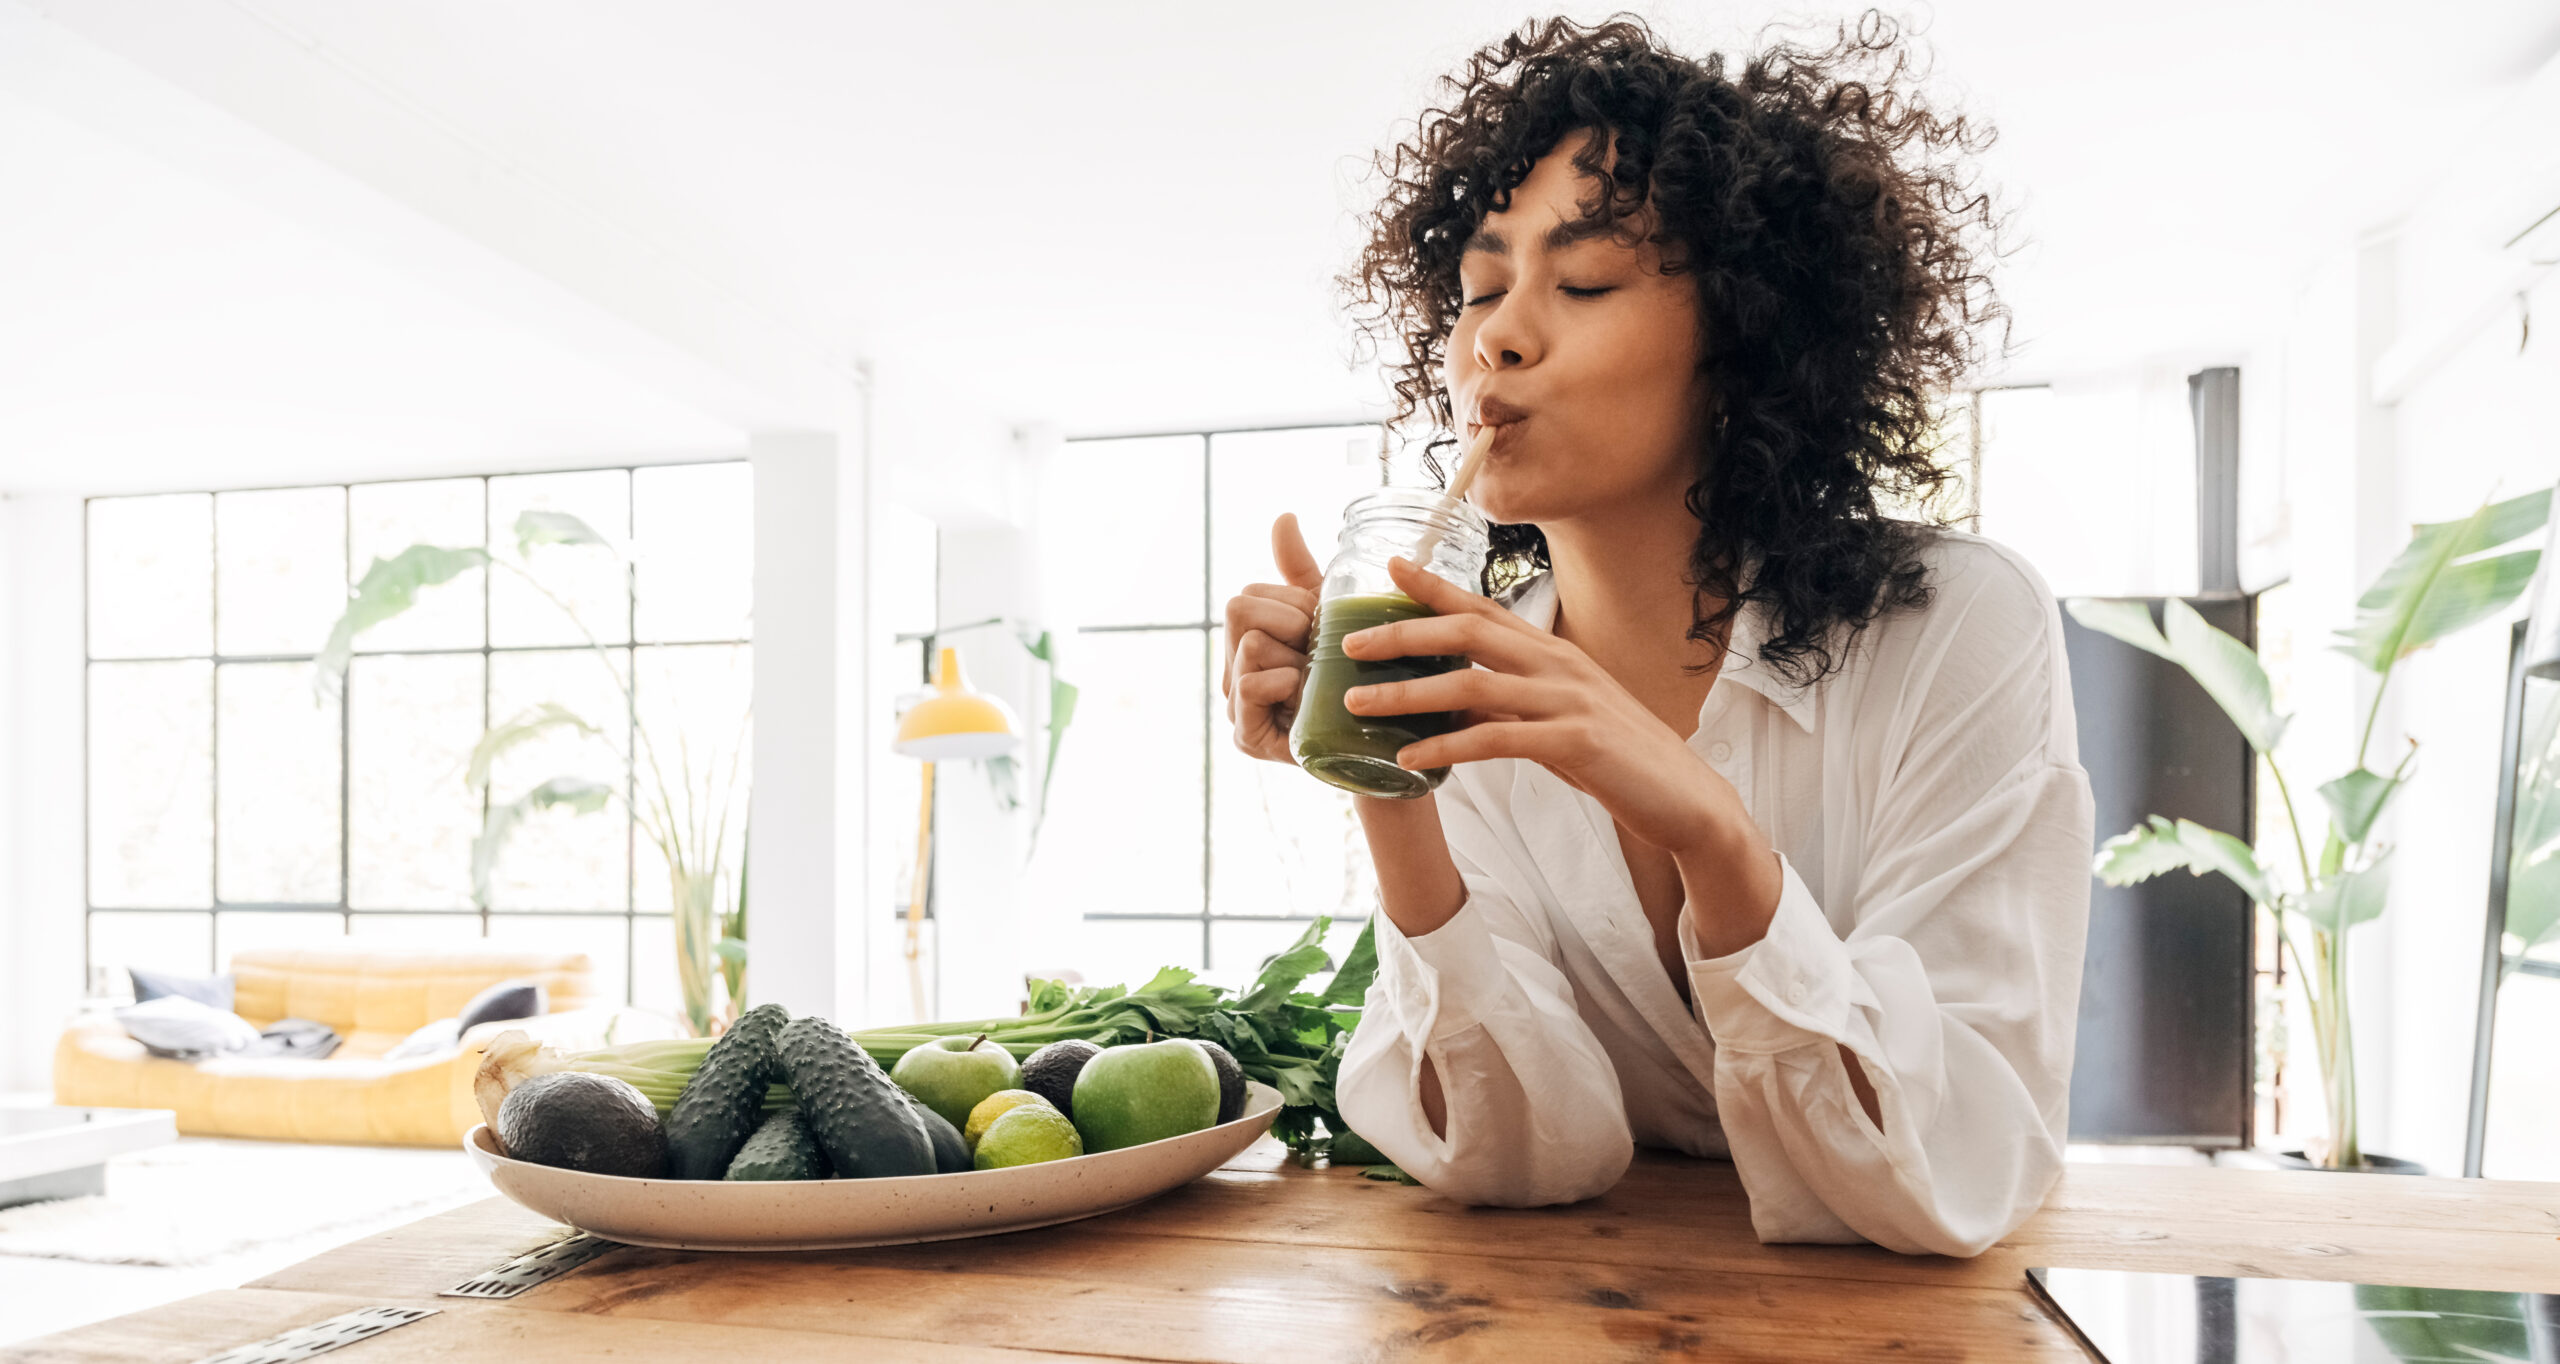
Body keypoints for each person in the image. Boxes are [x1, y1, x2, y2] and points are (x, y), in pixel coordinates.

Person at [1218, 14, 2093, 1257]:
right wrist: (1387, 776)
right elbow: (1514, 1158)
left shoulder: (1955, 626)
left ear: (1740, 337)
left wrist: (1712, 831)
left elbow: (1960, 1164)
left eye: (1581, 283)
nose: (1496, 336)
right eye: (1479, 287)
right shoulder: (1465, 668)